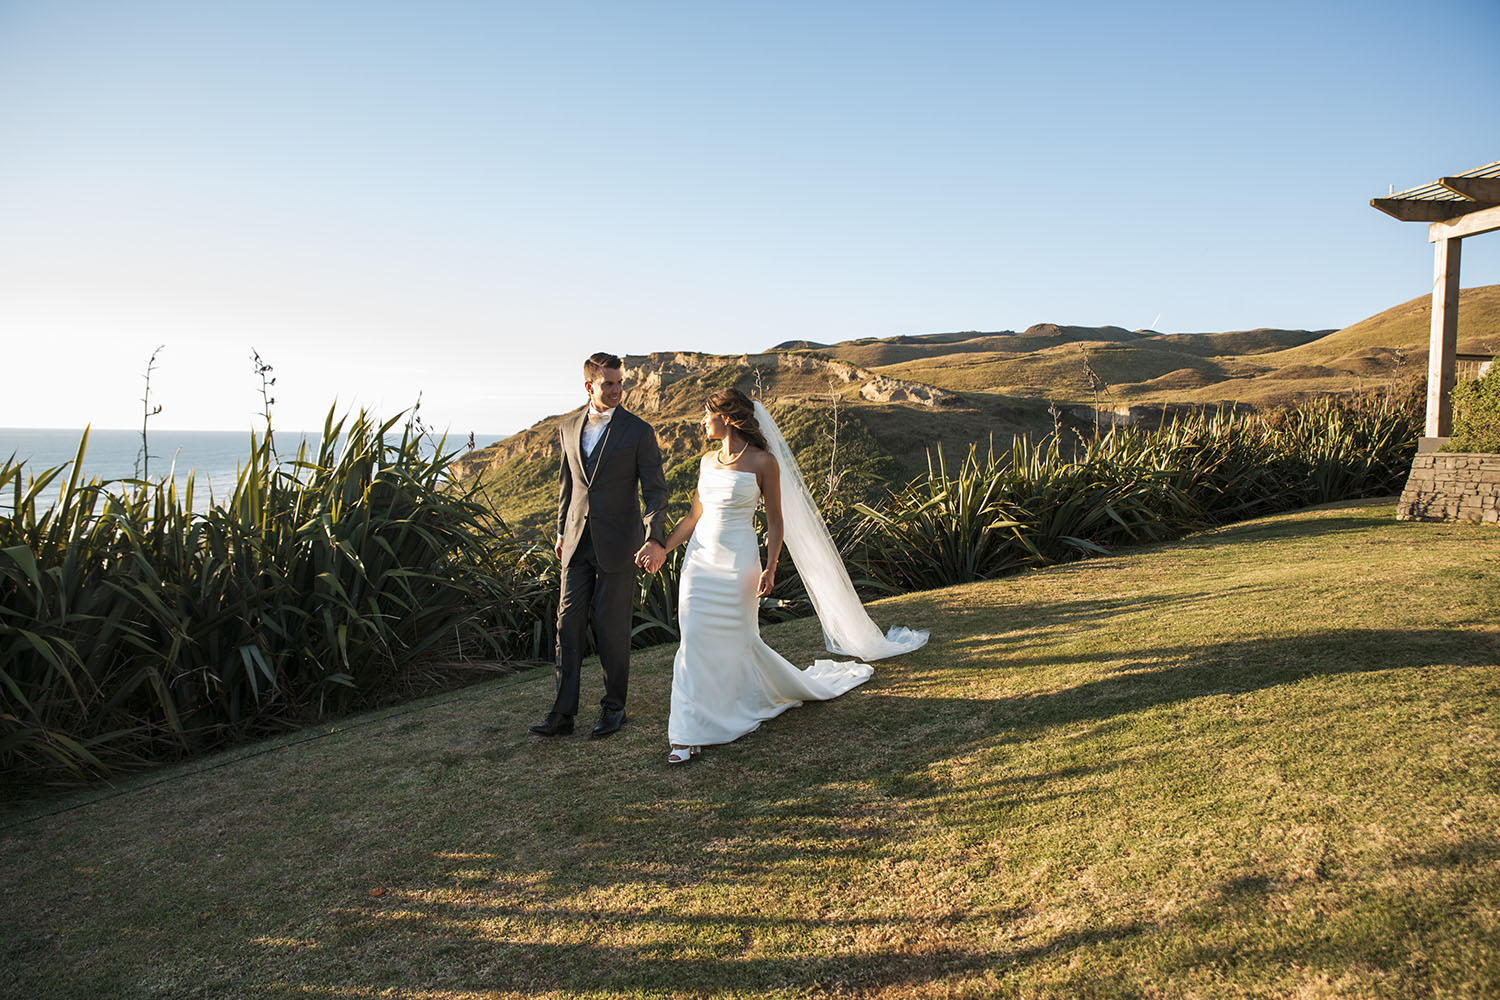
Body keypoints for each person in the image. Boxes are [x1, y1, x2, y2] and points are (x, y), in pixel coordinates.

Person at [638, 388, 927, 764]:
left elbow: (776, 522)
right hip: (700, 564)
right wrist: (661, 547)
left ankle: (741, 701)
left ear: (726, 417)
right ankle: (687, 732)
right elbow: (694, 518)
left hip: (738, 564)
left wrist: (771, 567)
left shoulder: (763, 462)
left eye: (706, 414)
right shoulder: (707, 462)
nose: (702, 421)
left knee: (739, 640)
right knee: (692, 641)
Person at [530, 352, 669, 740]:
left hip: (619, 543)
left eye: (620, 383)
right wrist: (561, 532)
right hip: (575, 543)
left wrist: (654, 537)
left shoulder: (638, 431)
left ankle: (614, 708)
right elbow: (567, 486)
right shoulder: (567, 427)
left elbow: (656, 490)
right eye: (609, 384)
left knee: (611, 629)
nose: (617, 391)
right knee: (567, 624)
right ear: (589, 386)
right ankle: (563, 713)